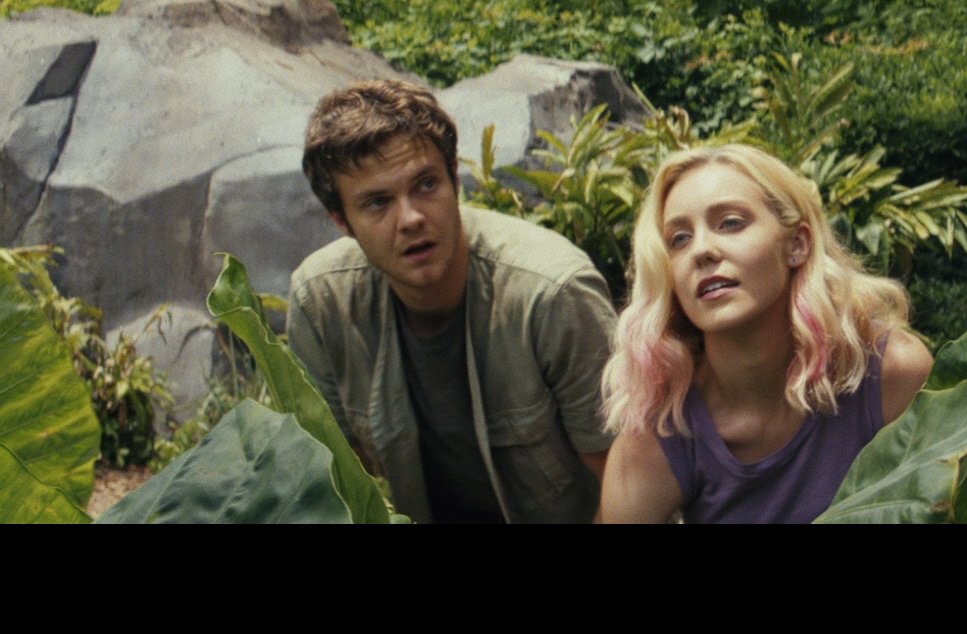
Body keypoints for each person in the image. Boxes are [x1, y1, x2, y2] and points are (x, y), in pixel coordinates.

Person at [289, 79, 618, 523]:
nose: (411, 219)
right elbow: (330, 486)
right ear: (341, 221)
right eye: (378, 203)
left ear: (454, 182)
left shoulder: (551, 294)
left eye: (426, 185)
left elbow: (629, 487)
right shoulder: (322, 301)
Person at [597, 143, 934, 523]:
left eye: (730, 223)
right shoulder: (659, 432)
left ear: (797, 244)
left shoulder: (891, 372)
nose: (702, 250)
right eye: (679, 239)